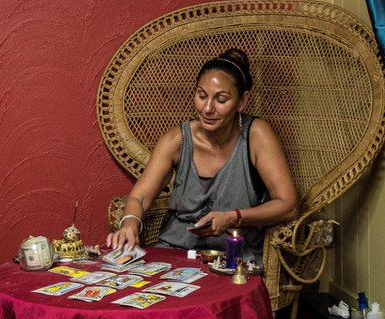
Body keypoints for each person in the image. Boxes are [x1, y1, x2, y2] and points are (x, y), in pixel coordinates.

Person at [106, 48, 298, 264]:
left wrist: (233, 217)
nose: (207, 108)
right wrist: (130, 223)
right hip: (174, 253)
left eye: (221, 99)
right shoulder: (176, 139)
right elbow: (139, 198)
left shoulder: (256, 135)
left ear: (243, 102)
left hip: (234, 259)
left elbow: (288, 205)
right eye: (201, 96)